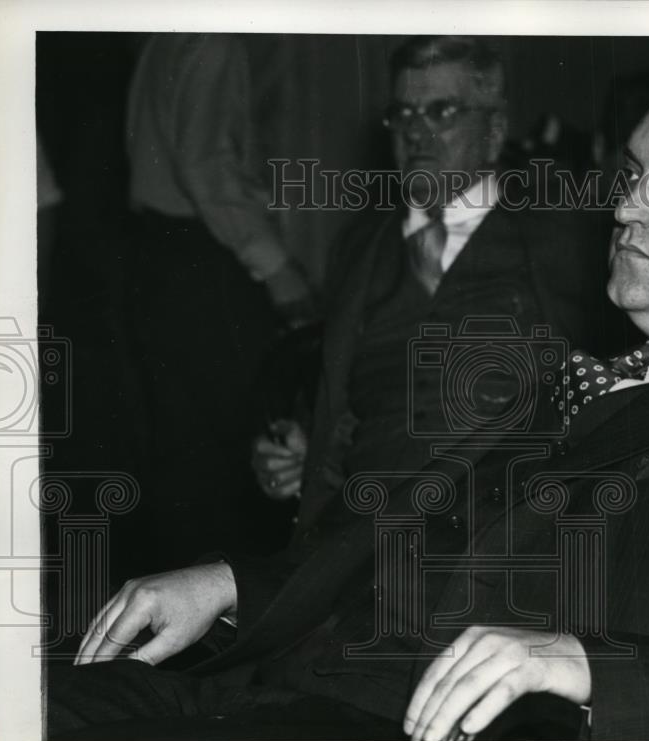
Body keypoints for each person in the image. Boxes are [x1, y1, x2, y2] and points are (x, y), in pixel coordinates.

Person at [48, 53, 649, 741]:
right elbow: (391, 536)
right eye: (632, 174)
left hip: (399, 724)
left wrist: (581, 665)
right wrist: (232, 582)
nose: (626, 208)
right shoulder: (570, 379)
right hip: (268, 679)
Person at [251, 35, 622, 537]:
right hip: (362, 543)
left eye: (442, 111)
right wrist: (298, 451)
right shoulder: (358, 248)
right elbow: (337, 402)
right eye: (403, 114)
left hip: (508, 537)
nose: (417, 133)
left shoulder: (565, 230)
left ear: (494, 128)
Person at [124, 33, 318, 568]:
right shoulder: (211, 38)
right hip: (202, 258)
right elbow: (208, 169)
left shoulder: (167, 36)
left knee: (184, 460)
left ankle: (187, 627)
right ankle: (226, 631)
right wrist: (279, 270)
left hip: (159, 254)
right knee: (234, 462)